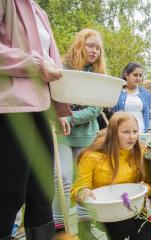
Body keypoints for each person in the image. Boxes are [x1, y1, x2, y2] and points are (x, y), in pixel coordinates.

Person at [0, 1, 71, 239]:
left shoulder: (39, 12)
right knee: (10, 192)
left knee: (42, 192)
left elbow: (54, 64)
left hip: (42, 109)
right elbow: (42, 63)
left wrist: (60, 109)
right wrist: (35, 64)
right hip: (11, 108)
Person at [52, 28, 105, 236]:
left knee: (85, 180)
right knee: (62, 177)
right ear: (79, 44)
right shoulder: (61, 67)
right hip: (61, 133)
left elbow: (96, 107)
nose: (95, 51)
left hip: (86, 134)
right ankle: (59, 226)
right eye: (91, 45)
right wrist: (60, 117)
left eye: (98, 48)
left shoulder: (96, 75)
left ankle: (85, 224)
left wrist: (72, 118)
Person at [71, 112, 151, 240]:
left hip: (135, 211)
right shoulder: (91, 157)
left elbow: (150, 185)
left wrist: (146, 189)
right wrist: (84, 191)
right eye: (126, 132)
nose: (132, 137)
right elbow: (77, 190)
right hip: (107, 215)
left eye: (135, 131)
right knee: (121, 228)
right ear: (113, 133)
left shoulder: (141, 152)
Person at [111, 62, 151, 133]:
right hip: (122, 135)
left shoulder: (148, 95)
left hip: (143, 135)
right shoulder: (117, 93)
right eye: (135, 75)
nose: (138, 78)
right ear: (126, 75)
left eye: (140, 76)